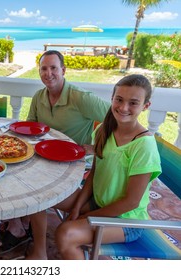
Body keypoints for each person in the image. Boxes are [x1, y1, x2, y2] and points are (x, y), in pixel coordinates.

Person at [34, 74, 162, 259]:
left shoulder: (144, 145)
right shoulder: (105, 130)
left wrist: (90, 215)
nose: (124, 107)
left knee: (65, 234)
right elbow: (95, 173)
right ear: (112, 99)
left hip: (126, 220)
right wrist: (78, 207)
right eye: (119, 99)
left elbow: (131, 202)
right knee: (39, 198)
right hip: (98, 201)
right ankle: (39, 254)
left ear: (145, 106)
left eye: (133, 103)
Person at [0, 50, 111, 253]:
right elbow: (28, 126)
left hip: (73, 163)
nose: (48, 73)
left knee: (35, 190)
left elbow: (117, 117)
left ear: (63, 70)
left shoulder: (80, 98)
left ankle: (30, 239)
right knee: (11, 171)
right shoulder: (39, 96)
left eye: (53, 68)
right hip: (44, 157)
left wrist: (96, 148)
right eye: (43, 68)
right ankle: (20, 221)